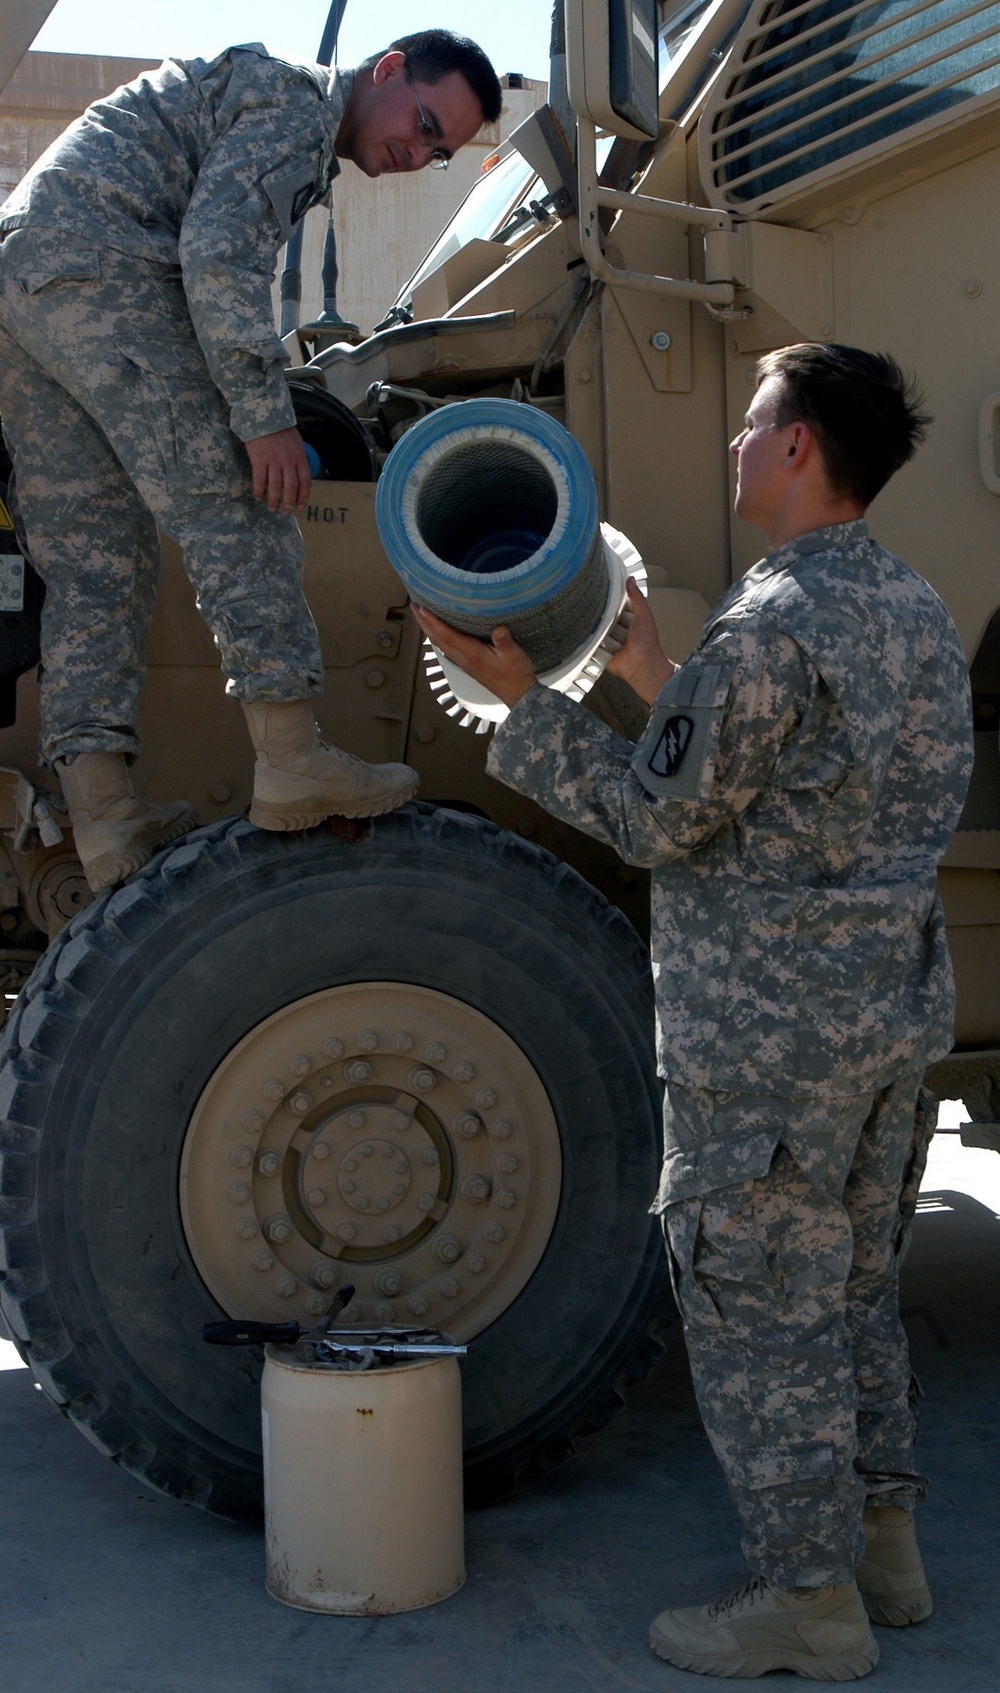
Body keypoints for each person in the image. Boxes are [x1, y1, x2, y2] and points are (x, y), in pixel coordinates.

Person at [413, 343, 973, 1682]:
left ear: (796, 450)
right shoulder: (915, 609)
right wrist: (656, 668)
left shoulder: (770, 622)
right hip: (886, 1017)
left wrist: (517, 714)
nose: (732, 446)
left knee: (758, 1306)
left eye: (750, 424)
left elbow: (667, 817)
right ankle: (883, 1551)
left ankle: (806, 1601)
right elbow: (787, 782)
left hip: (766, 1040)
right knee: (848, 1295)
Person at [0, 31, 501, 891]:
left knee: (96, 559)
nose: (416, 152)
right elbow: (220, 254)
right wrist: (262, 417)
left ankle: (107, 823)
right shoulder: (296, 102)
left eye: (439, 152)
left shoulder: (267, 101)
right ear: (385, 71)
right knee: (245, 500)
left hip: (26, 277)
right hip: (105, 264)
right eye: (420, 123)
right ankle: (292, 757)